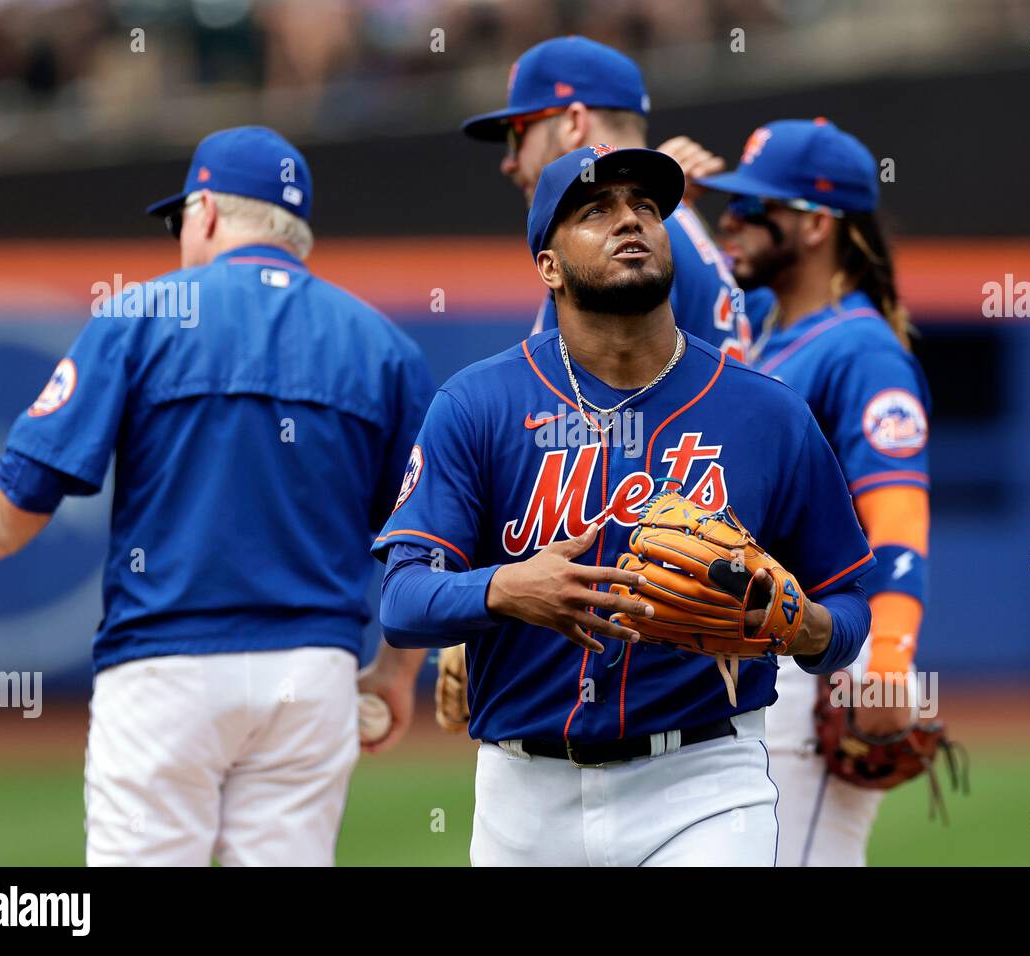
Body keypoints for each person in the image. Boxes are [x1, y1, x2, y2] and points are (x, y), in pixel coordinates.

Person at [374, 144, 876, 866]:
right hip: (524, 794)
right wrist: (504, 589)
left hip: (705, 782)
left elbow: (850, 607)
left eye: (646, 206)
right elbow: (401, 601)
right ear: (548, 265)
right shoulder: (477, 405)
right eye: (595, 210)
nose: (630, 221)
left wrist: (802, 626)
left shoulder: (767, 414)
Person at [0, 126, 433, 867]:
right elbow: (425, 541)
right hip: (311, 676)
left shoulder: (140, 315)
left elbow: (15, 515)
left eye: (181, 220)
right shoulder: (383, 345)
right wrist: (396, 674)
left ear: (204, 212)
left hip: (163, 670)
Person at [698, 118, 932, 866]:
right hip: (769, 656)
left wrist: (891, 660)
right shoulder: (765, 328)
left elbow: (897, 514)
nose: (729, 219)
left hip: (826, 659)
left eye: (751, 205)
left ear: (814, 223)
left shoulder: (860, 348)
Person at [461, 34, 769, 358]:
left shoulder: (630, 240)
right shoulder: (673, 223)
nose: (509, 163)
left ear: (573, 123)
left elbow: (593, 399)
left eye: (517, 134)